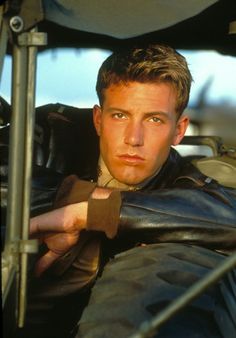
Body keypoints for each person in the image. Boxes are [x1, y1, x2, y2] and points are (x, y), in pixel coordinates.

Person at [25, 44, 236, 337]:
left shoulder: (187, 189)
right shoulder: (52, 134)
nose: (133, 138)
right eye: (120, 116)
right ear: (98, 119)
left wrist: (99, 214)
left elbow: (228, 216)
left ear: (179, 130)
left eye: (154, 119)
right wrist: (83, 198)